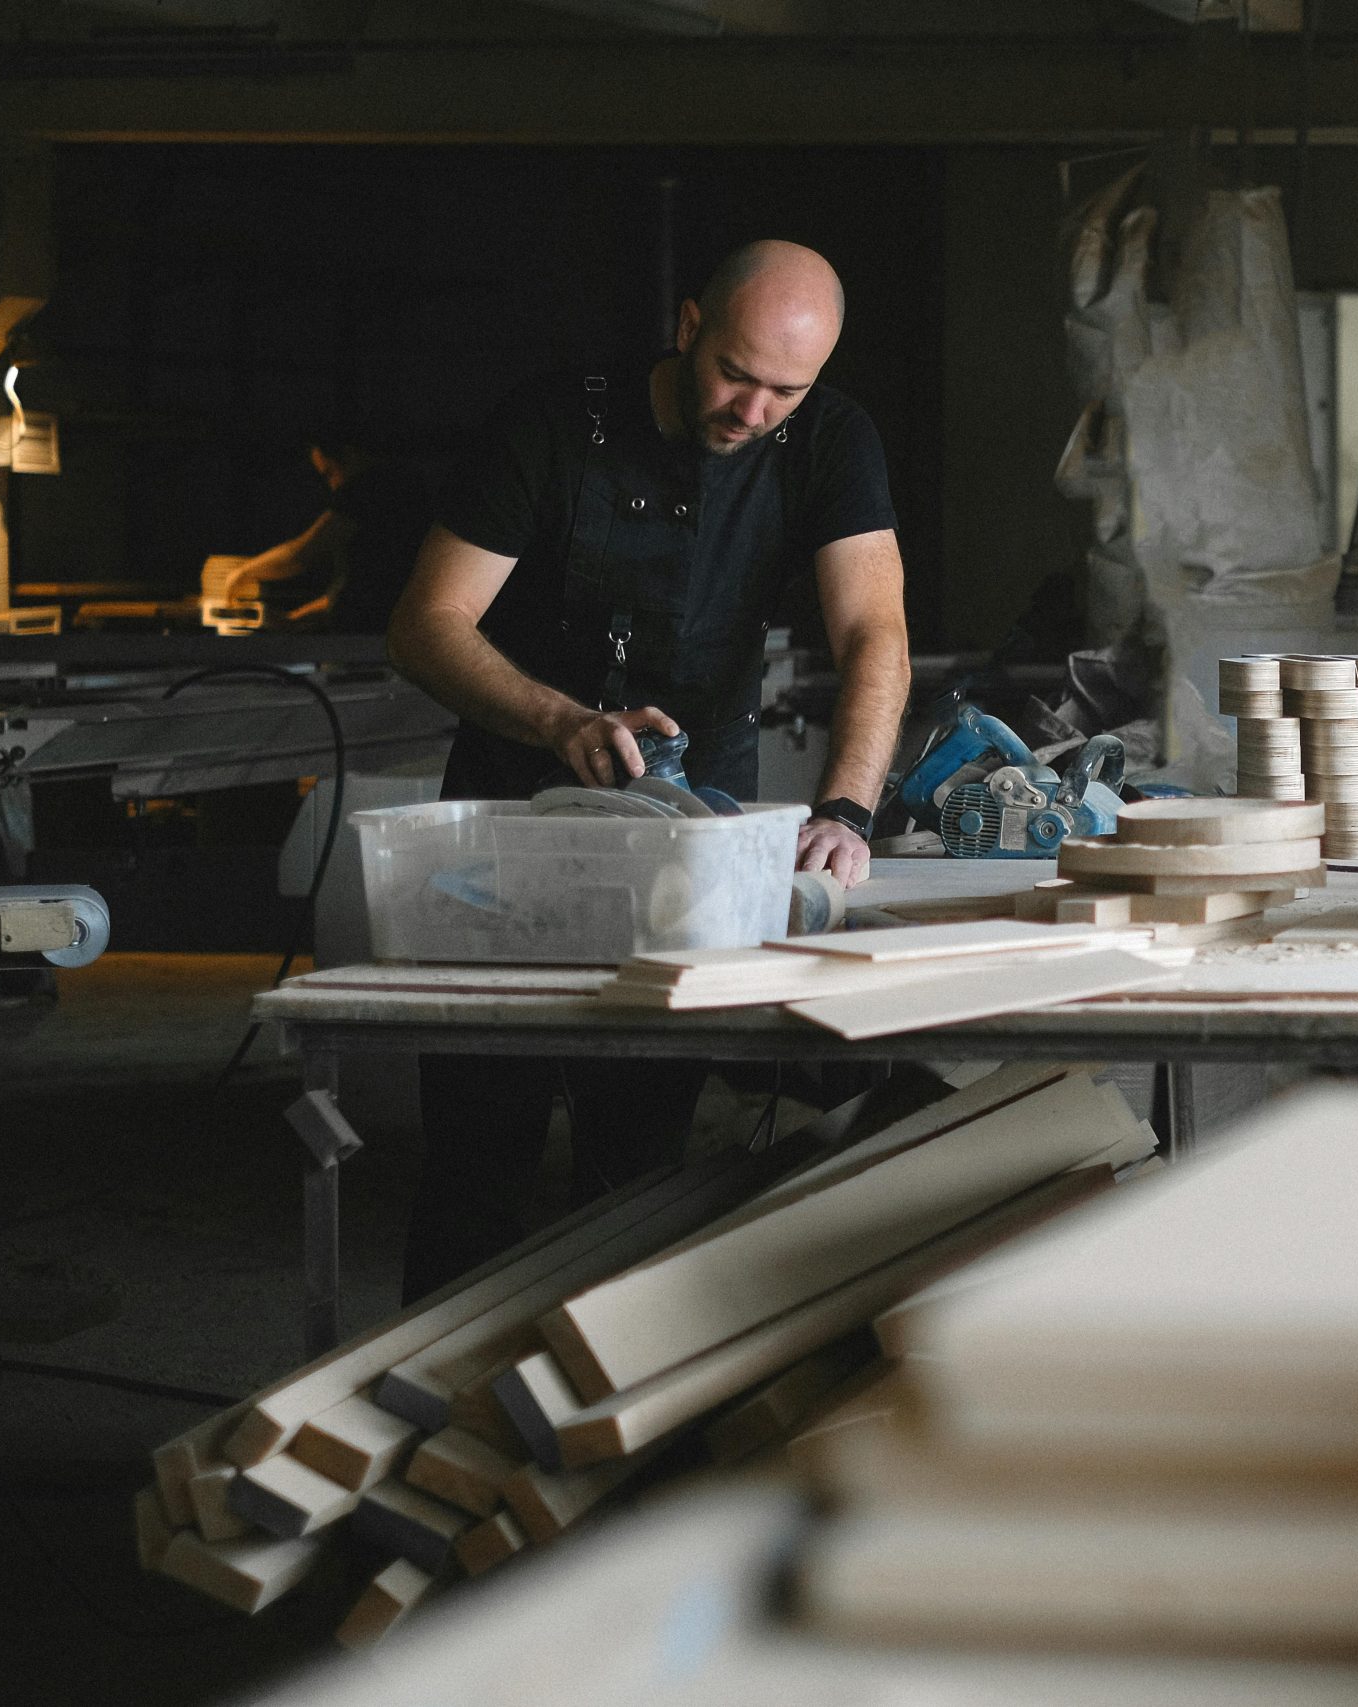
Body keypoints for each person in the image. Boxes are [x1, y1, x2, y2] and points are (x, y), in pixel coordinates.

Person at [384, 239, 911, 1299]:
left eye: (785, 392)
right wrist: (557, 719)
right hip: (514, 810)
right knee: (481, 1141)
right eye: (734, 374)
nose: (753, 411)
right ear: (687, 328)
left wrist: (847, 808)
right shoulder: (549, 424)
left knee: (642, 1153)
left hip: (693, 823)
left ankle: (616, 1378)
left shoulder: (830, 437)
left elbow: (874, 632)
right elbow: (425, 623)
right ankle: (436, 1386)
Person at [223, 439, 436, 632]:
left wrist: (243, 572)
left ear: (350, 454)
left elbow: (302, 554)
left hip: (374, 637)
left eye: (329, 473)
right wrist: (293, 619)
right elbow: (357, 592)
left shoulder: (368, 490)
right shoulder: (405, 488)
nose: (333, 487)